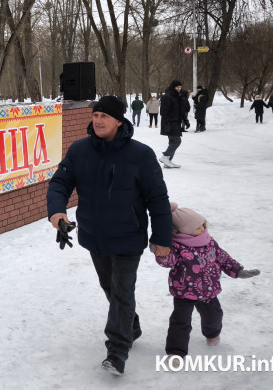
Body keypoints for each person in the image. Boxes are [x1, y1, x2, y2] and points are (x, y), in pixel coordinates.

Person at [46, 95, 173, 376]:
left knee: (122, 292)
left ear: (119, 120)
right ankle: (131, 327)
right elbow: (60, 183)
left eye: (104, 116)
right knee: (111, 288)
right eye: (95, 116)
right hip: (95, 236)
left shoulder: (140, 155)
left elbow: (158, 199)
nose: (98, 120)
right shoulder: (79, 151)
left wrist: (162, 238)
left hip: (128, 237)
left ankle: (117, 351)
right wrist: (57, 212)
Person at [153, 203, 259, 362]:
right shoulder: (176, 246)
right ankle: (176, 352)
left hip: (208, 290)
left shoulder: (209, 241)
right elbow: (169, 261)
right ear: (181, 231)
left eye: (203, 225)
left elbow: (223, 258)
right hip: (184, 291)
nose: (202, 229)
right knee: (180, 322)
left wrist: (238, 271)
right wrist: (160, 252)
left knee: (213, 317)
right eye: (197, 228)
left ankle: (212, 333)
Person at [159, 80, 184, 168]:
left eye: (180, 87)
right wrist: (167, 122)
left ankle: (168, 162)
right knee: (177, 141)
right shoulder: (167, 96)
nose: (179, 89)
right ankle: (165, 157)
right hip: (170, 122)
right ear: (173, 87)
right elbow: (163, 112)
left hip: (176, 122)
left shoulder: (177, 96)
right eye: (177, 87)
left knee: (172, 141)